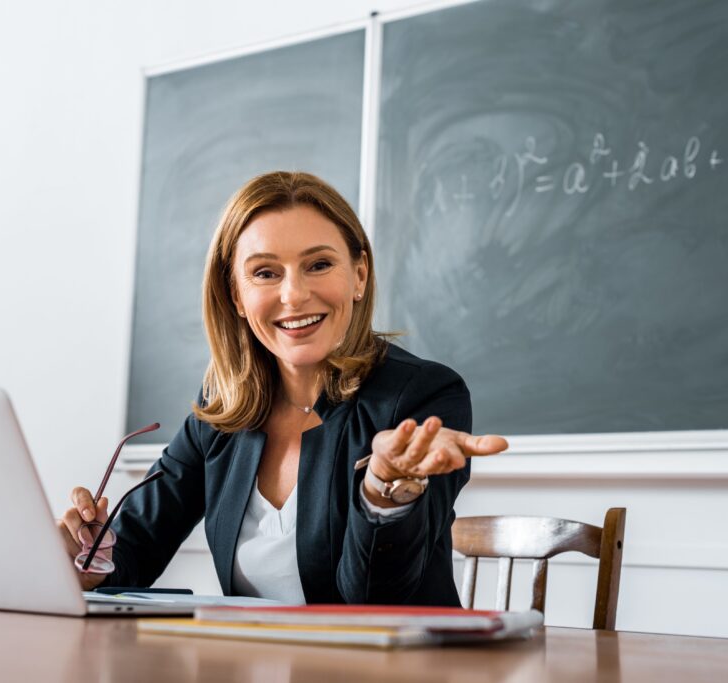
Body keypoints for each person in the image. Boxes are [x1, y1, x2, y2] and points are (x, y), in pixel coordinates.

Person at [58, 171, 507, 605]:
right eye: (265, 273)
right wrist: (88, 558)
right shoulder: (223, 407)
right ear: (236, 295)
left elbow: (376, 599)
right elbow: (131, 554)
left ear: (359, 276)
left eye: (318, 265)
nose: (293, 295)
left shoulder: (422, 397)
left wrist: (382, 490)